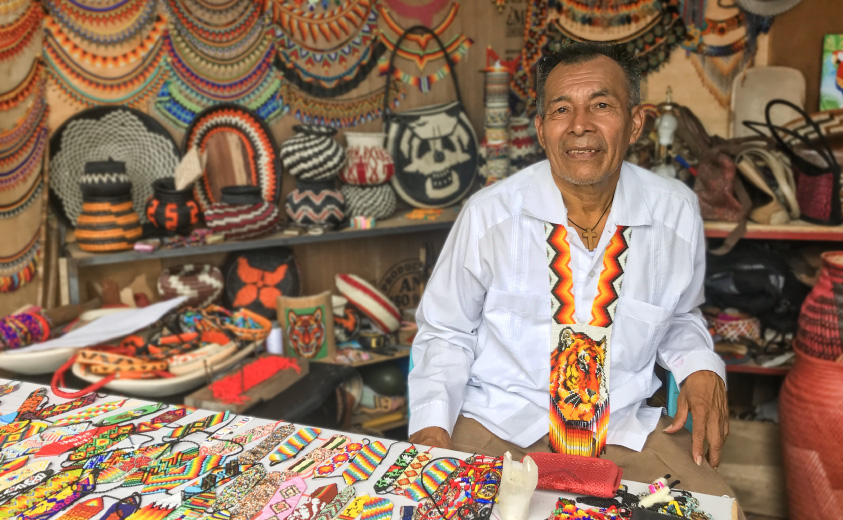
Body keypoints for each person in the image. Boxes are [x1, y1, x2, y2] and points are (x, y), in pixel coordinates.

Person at [407, 42, 738, 504]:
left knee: (715, 510)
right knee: (431, 508)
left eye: (601, 105)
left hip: (623, 432)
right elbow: (445, 331)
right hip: (500, 424)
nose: (580, 125)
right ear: (542, 130)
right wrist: (430, 432)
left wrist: (701, 368)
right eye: (562, 109)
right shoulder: (490, 215)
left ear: (636, 122)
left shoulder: (674, 211)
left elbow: (680, 317)